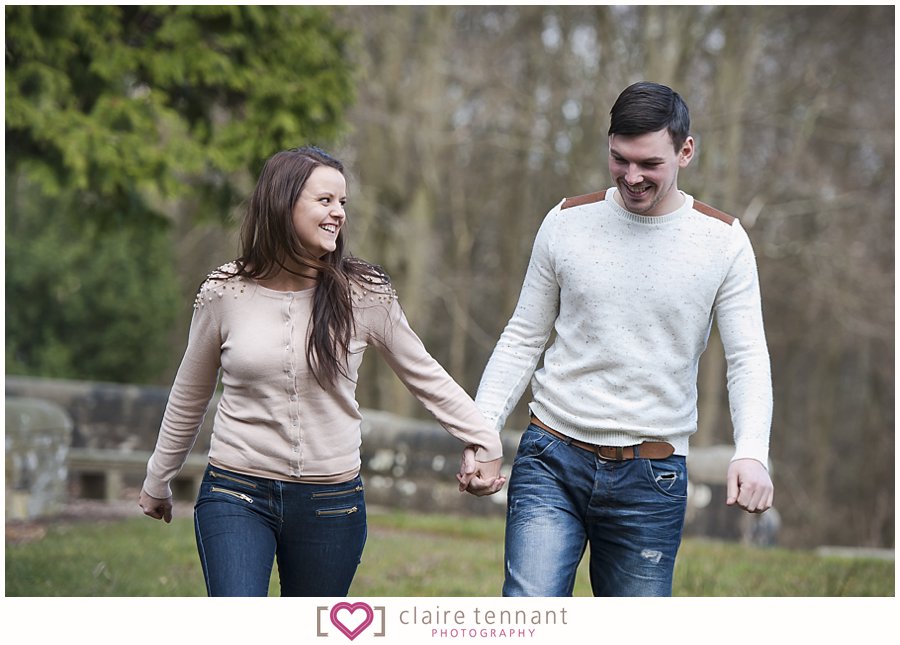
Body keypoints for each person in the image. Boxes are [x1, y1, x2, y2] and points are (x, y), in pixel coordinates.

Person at [139, 146, 505, 597]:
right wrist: (159, 478)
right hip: (236, 491)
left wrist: (485, 439)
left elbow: (424, 374)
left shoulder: (364, 292)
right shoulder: (224, 291)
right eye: (325, 201)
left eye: (343, 203)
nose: (338, 214)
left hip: (332, 504)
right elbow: (189, 393)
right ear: (282, 202)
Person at [462, 81, 774, 597]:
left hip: (653, 478)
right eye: (619, 159)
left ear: (686, 151)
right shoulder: (566, 222)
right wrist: (483, 432)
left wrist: (753, 451)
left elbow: (747, 358)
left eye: (649, 163)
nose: (632, 177)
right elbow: (522, 338)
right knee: (527, 618)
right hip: (551, 458)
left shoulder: (724, 242)